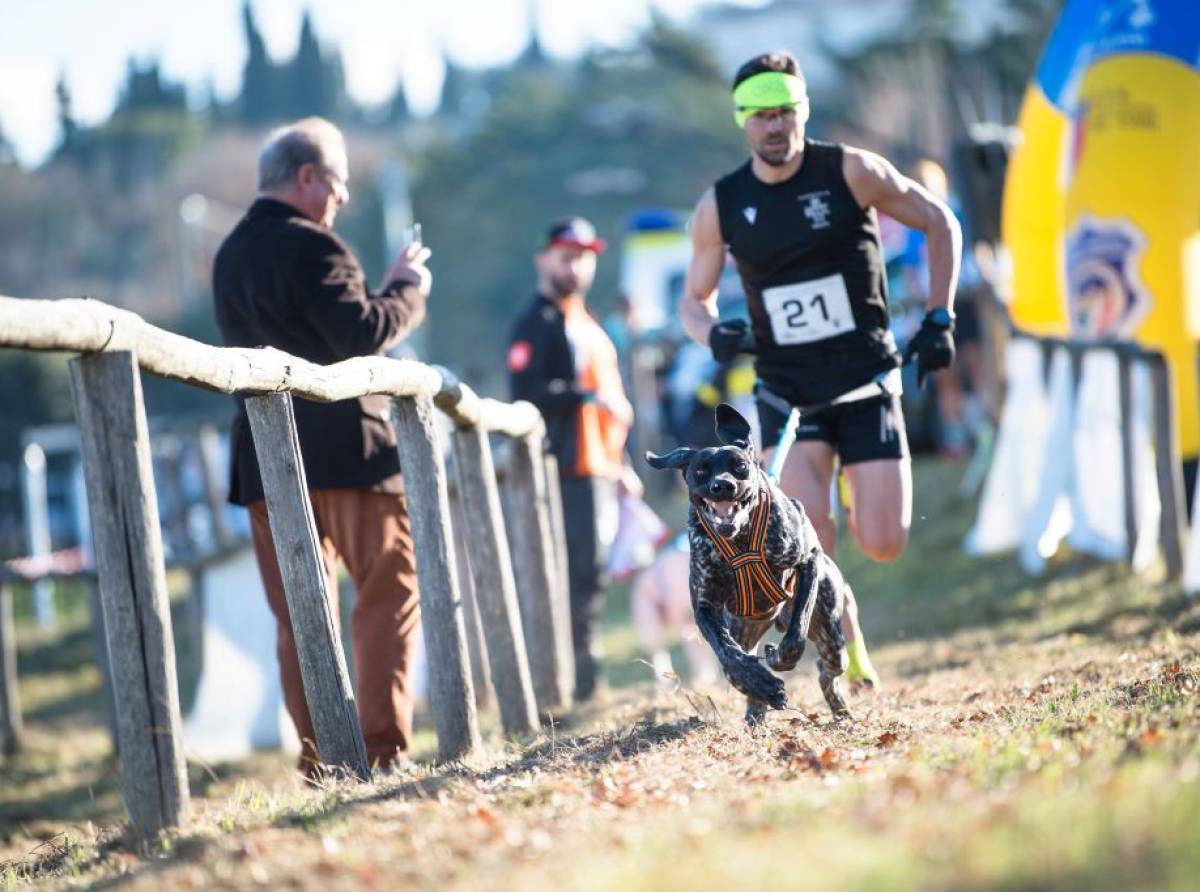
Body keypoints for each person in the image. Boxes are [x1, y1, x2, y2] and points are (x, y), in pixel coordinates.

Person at [680, 52, 962, 688]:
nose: (773, 126)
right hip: (787, 393)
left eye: (784, 112)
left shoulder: (851, 171)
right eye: (760, 115)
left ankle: (854, 572)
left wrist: (940, 317)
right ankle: (849, 636)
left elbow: (940, 222)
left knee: (883, 538)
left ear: (801, 112)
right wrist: (713, 332)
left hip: (865, 381)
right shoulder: (722, 205)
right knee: (809, 533)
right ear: (742, 122)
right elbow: (692, 304)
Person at [212, 117, 432, 775]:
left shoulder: (228, 256)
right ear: (307, 177)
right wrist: (405, 290)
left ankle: (322, 763)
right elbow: (362, 334)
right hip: (347, 455)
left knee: (299, 619)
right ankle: (380, 752)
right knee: (387, 595)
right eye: (335, 185)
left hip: (262, 464)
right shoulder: (317, 249)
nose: (339, 201)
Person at [507, 217, 633, 701]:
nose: (576, 264)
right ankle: (573, 683)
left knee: (591, 575)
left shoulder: (586, 320)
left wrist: (621, 466)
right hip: (562, 470)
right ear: (543, 258)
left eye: (584, 255)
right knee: (570, 578)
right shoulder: (535, 322)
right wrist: (585, 396)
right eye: (566, 254)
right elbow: (525, 392)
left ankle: (582, 677)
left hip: (600, 467)